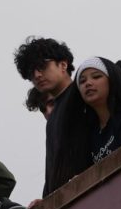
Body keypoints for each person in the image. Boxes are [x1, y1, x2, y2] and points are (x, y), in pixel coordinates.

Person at [47, 57, 121, 192]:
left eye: (96, 77)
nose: (88, 83)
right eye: (82, 81)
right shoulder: (87, 132)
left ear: (112, 80)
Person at [13, 36, 75, 195]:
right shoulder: (52, 120)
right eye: (30, 72)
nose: (37, 75)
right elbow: (53, 168)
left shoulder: (82, 95)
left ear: (63, 64)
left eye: (42, 66)